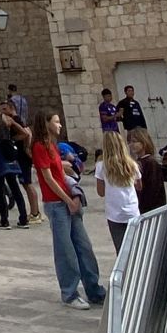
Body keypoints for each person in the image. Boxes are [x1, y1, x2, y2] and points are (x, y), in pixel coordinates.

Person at [32, 109, 105, 309]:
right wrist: (67, 199)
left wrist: (68, 168)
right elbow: (47, 178)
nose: (60, 125)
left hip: (68, 201)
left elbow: (56, 170)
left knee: (84, 247)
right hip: (56, 204)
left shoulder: (53, 146)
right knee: (65, 250)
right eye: (56, 121)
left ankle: (94, 289)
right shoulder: (39, 146)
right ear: (46, 123)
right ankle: (70, 293)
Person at [0, 98, 29, 229]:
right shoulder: (7, 119)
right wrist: (12, 139)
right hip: (8, 152)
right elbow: (24, 133)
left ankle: (4, 220)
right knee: (15, 186)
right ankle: (23, 218)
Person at [94, 132, 140, 252]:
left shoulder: (101, 166)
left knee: (121, 250)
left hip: (114, 214)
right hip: (132, 210)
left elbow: (101, 192)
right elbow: (139, 186)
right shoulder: (132, 164)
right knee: (136, 248)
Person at [3, 100, 42, 222]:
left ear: (10, 108)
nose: (2, 112)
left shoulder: (16, 120)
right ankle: (35, 212)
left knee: (27, 183)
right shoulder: (18, 120)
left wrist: (14, 140)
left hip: (22, 157)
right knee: (26, 183)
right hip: (21, 156)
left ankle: (35, 213)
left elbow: (26, 134)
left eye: (4, 109)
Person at [127, 128, 167, 214]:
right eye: (129, 142)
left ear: (143, 142)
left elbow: (152, 191)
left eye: (134, 141)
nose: (131, 145)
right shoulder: (139, 162)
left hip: (150, 211)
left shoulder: (150, 163)